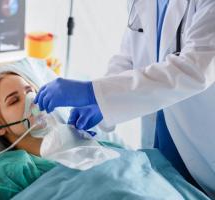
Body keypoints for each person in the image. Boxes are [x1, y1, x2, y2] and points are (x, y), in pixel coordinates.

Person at [34, 0, 215, 198]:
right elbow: (128, 58)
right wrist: (99, 102)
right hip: (162, 155)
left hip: (204, 143)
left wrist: (92, 91)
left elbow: (195, 69)